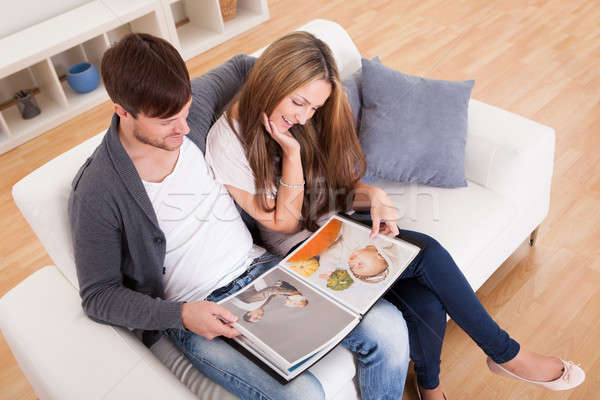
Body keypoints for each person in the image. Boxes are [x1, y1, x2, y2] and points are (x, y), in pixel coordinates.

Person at [204, 31, 586, 399]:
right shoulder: (227, 139)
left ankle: (430, 388)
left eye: (315, 108)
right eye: (299, 103)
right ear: (273, 80)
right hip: (301, 258)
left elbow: (336, 187)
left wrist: (373, 195)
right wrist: (290, 155)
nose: (305, 118)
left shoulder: (304, 119)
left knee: (426, 300)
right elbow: (284, 223)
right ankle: (508, 356)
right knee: (428, 253)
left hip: (341, 227)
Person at [68, 32, 411, 400]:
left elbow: (250, 67)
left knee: (389, 327)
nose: (183, 130)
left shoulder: (193, 112)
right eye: (167, 121)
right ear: (122, 110)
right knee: (301, 395)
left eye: (185, 112)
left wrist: (313, 96)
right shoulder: (98, 189)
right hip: (201, 310)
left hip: (264, 269)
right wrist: (180, 316)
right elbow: (99, 296)